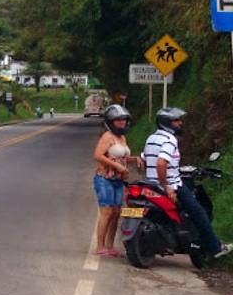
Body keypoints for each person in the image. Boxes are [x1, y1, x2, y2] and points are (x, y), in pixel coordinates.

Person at [143, 107, 232, 258]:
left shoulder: (151, 138)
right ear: (167, 123)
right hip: (171, 185)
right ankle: (215, 247)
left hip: (151, 184)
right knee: (199, 213)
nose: (180, 123)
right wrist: (167, 186)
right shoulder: (170, 140)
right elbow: (161, 163)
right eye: (176, 121)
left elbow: (146, 160)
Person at [92, 105, 141, 257]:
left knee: (115, 213)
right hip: (105, 179)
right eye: (118, 120)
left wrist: (135, 159)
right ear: (111, 122)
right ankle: (100, 247)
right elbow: (98, 155)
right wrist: (117, 167)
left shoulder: (122, 138)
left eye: (124, 120)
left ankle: (109, 246)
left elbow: (122, 157)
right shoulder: (107, 136)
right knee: (106, 212)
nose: (122, 123)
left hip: (118, 181)